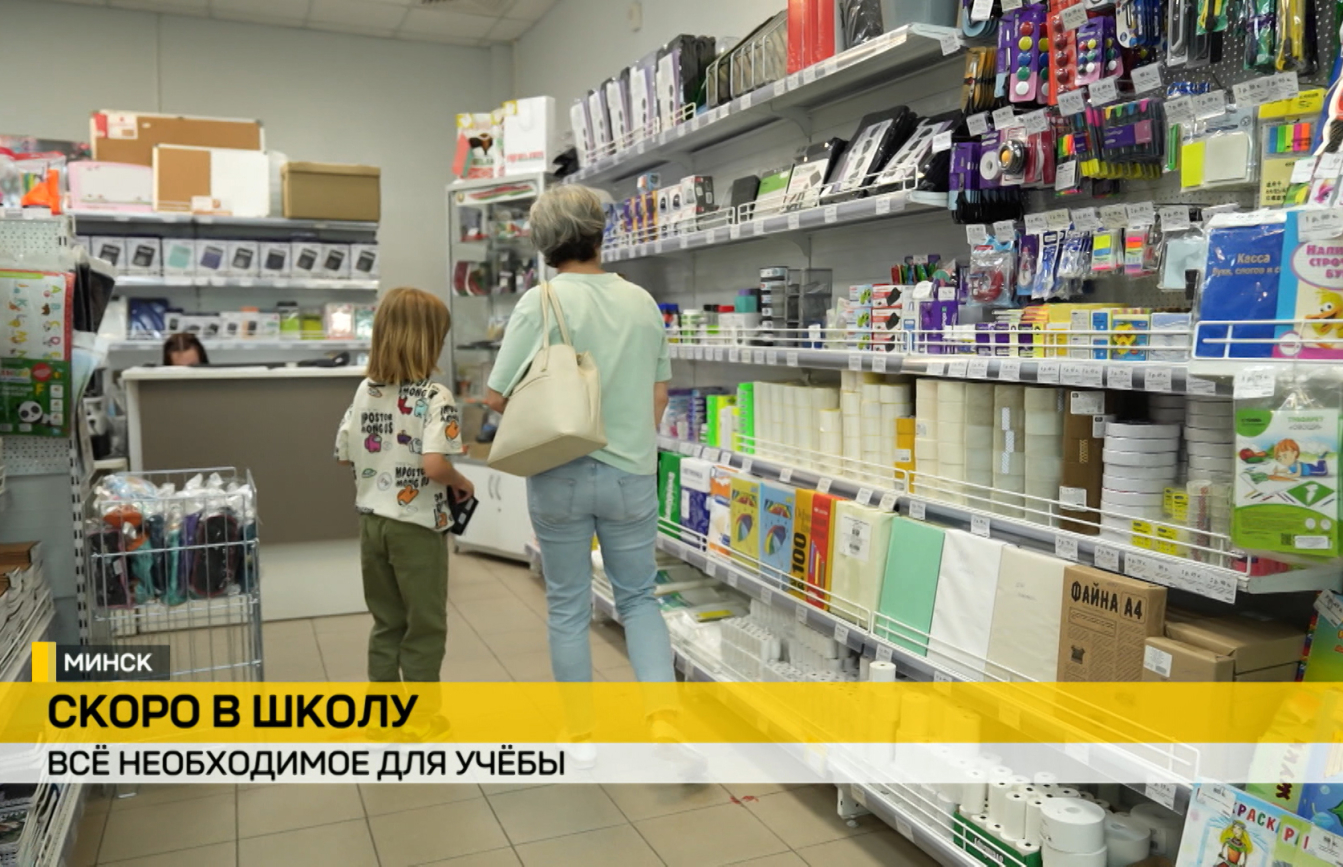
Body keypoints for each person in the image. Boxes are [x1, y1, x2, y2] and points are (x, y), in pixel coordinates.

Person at [486, 185, 682, 757]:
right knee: (639, 598)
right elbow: (660, 394)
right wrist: (629, 445)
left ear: (544, 241)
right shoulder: (642, 302)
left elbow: (497, 396)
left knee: (568, 604)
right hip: (631, 474)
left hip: (560, 472)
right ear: (600, 233)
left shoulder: (541, 302)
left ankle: (579, 734)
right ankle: (664, 719)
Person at [335, 287, 474, 692]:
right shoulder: (436, 396)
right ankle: (421, 715)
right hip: (417, 527)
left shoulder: (365, 390)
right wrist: (461, 481)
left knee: (386, 622)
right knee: (424, 625)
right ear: (429, 342)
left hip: (372, 524)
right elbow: (434, 466)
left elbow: (344, 455)